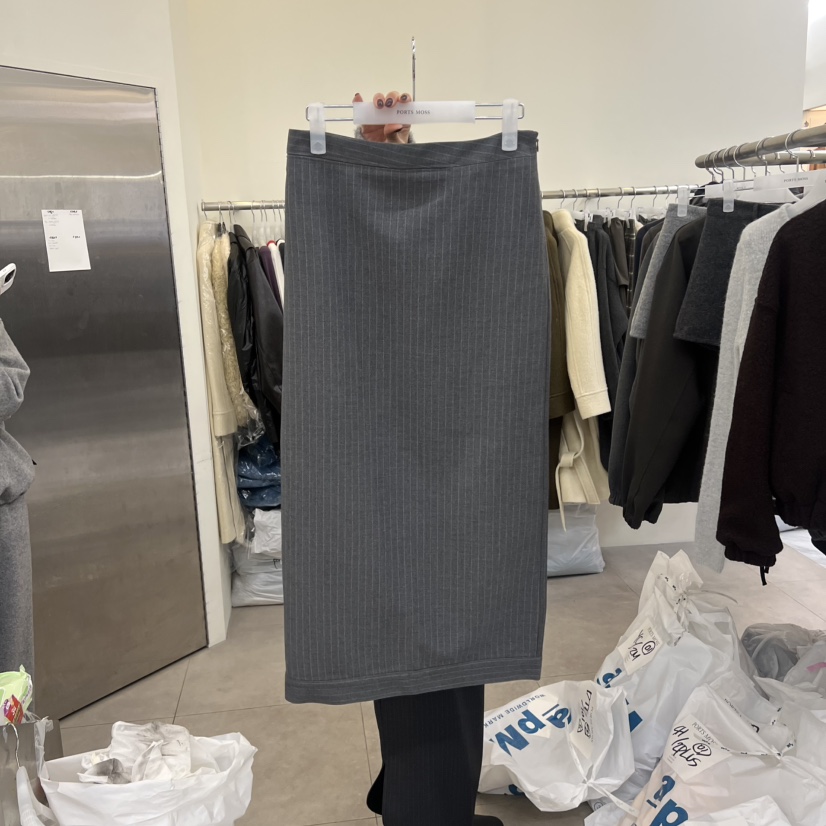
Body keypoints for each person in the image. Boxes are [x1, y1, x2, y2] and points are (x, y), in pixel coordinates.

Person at [353, 91, 504, 826]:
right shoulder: (363, 270)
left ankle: (425, 799)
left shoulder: (450, 276)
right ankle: (423, 809)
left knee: (447, 655)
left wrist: (387, 154)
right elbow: (380, 254)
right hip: (407, 469)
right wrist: (374, 156)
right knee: (423, 652)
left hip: (447, 462)